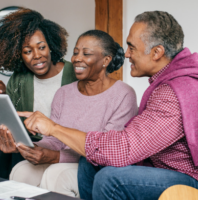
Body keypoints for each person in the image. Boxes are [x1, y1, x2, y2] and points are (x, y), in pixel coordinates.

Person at [18, 11, 198, 200]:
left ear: (157, 52)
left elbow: (124, 149)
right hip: (163, 170)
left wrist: (54, 127)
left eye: (131, 47)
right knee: (90, 162)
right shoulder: (173, 81)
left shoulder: (175, 90)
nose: (127, 54)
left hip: (193, 181)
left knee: (110, 179)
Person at [8, 30, 138, 198]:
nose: (76, 58)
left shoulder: (123, 94)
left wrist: (56, 157)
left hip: (93, 167)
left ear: (106, 60)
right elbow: (54, 140)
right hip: (62, 159)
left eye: (86, 53)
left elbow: (106, 152)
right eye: (76, 52)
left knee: (57, 175)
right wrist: (34, 149)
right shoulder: (63, 93)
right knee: (22, 171)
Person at [0, 8, 77, 179]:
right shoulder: (19, 79)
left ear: (51, 45)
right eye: (27, 51)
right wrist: (1, 97)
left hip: (62, 143)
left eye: (41, 47)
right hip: (29, 143)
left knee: (15, 157)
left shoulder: (74, 74)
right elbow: (0, 129)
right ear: (18, 54)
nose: (37, 56)